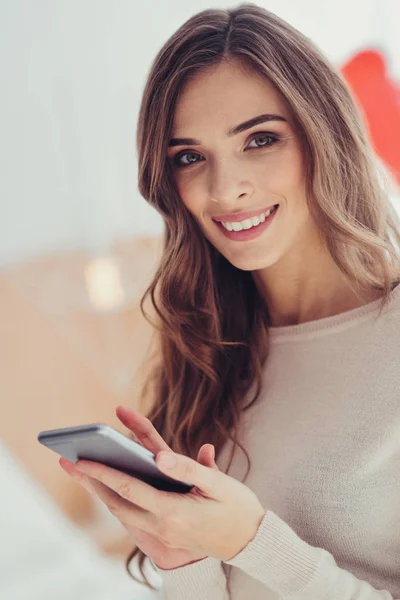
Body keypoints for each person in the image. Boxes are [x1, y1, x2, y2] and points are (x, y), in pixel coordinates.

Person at [61, 3, 400, 598]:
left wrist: (251, 540)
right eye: (190, 157)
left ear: (327, 137)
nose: (224, 189)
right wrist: (183, 558)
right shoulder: (207, 351)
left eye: (260, 139)